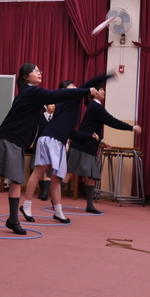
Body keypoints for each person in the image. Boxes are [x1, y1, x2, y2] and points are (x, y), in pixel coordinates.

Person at [0, 65, 94, 235]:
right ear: (26, 76)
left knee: (16, 180)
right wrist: (86, 90)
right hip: (8, 138)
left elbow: (46, 104)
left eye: (40, 70)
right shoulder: (30, 91)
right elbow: (56, 95)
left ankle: (13, 219)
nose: (40, 72)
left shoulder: (31, 94)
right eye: (36, 70)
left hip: (17, 143)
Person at [20, 74, 111, 224]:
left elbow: (71, 133)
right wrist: (106, 76)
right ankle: (26, 206)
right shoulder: (69, 100)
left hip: (59, 142)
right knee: (39, 172)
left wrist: (89, 136)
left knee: (56, 178)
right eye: (72, 87)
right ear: (64, 91)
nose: (75, 88)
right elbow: (88, 84)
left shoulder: (71, 106)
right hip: (50, 139)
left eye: (75, 87)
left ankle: (58, 212)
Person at [65, 87, 142, 213]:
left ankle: (90, 206)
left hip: (88, 146)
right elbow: (111, 121)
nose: (104, 92)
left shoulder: (94, 106)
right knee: (70, 173)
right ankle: (55, 200)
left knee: (91, 176)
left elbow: (91, 126)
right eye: (101, 89)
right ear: (94, 92)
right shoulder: (96, 106)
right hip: (81, 145)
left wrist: (101, 140)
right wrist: (131, 127)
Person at [36, 104, 55, 201]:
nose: (53, 106)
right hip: (40, 144)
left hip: (52, 145)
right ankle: (42, 191)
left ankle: (45, 193)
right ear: (46, 106)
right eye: (51, 104)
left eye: (54, 104)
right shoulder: (40, 117)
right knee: (40, 168)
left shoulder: (56, 117)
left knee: (48, 168)